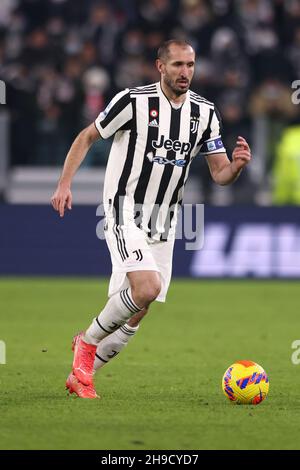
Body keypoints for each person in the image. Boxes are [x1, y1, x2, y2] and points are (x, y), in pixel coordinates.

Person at [51, 39, 251, 399]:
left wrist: (235, 167)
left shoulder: (205, 113)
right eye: (177, 65)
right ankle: (86, 342)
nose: (185, 72)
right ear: (160, 67)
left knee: (137, 309)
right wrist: (65, 183)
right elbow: (87, 136)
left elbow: (219, 174)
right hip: (125, 208)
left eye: (190, 64)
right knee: (147, 288)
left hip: (166, 219)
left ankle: (82, 375)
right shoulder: (133, 101)